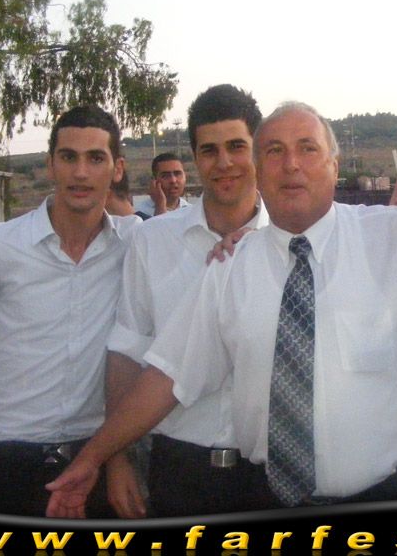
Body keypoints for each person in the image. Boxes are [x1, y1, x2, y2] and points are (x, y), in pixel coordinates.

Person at [45, 101, 397, 517]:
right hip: (264, 499)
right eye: (274, 151)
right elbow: (169, 375)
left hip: (381, 500)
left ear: (334, 165)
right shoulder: (230, 266)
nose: (291, 164)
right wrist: (94, 458)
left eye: (307, 148)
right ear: (258, 169)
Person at [0, 104, 140, 517]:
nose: (81, 172)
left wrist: (237, 238)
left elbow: (196, 235)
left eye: (95, 158)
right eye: (69, 157)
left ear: (117, 169)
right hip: (14, 459)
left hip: (98, 455)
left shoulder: (135, 243)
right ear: (50, 164)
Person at [101, 84, 269, 518]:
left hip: (273, 474)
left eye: (237, 146)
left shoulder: (292, 243)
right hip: (180, 470)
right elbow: (126, 352)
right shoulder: (152, 241)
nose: (224, 162)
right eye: (209, 150)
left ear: (258, 149)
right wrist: (116, 458)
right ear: (195, 157)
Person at [136, 152, 190, 217]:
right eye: (165, 176)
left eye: (177, 174)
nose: (173, 180)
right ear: (154, 180)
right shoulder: (140, 213)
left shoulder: (192, 211)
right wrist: (160, 205)